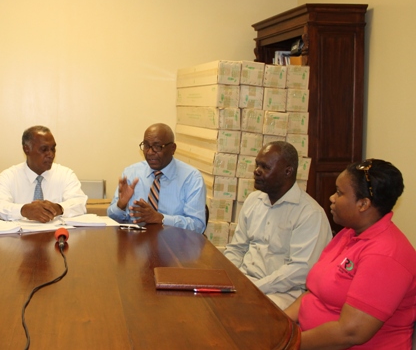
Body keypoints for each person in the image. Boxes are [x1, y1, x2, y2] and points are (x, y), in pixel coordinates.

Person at [285, 159, 416, 349]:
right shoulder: (349, 233)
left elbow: (350, 333)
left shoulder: (386, 255)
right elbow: (313, 294)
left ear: (363, 204)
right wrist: (280, 326)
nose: (332, 198)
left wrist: (285, 345)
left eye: (339, 193)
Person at [224, 141, 331, 309]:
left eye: (265, 167)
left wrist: (253, 288)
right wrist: (229, 278)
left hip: (283, 293)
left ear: (288, 171)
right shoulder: (253, 201)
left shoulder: (309, 214)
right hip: (244, 281)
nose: (256, 171)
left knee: (244, 314)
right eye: (257, 165)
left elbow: (299, 271)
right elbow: (237, 248)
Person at [107, 123, 206, 233]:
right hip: (135, 244)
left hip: (173, 246)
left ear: (173, 148)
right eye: (146, 146)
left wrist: (161, 218)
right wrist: (121, 205)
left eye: (157, 147)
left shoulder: (191, 178)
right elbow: (112, 218)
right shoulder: (131, 173)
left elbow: (198, 226)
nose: (150, 152)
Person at [0, 126, 87, 222]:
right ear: (27, 149)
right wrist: (24, 210)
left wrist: (59, 208)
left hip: (56, 236)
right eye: (44, 149)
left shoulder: (65, 174)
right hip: (20, 237)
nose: (51, 155)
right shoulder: (8, 176)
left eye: (53, 149)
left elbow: (80, 203)